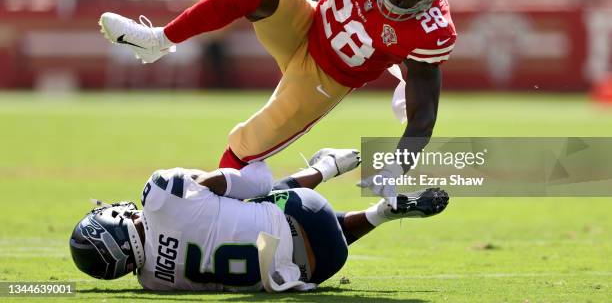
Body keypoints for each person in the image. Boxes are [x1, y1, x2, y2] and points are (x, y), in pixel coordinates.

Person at [98, 0, 459, 204]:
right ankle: (158, 39)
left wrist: (396, 167)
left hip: (325, 79)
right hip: (307, 23)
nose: (397, 1)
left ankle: (217, 218)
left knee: (244, 147)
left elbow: (423, 115)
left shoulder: (432, 30)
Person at [69, 148, 449, 292]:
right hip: (306, 209)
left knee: (277, 240)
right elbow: (257, 180)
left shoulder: (153, 283)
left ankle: (379, 214)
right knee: (258, 198)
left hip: (318, 268)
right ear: (112, 222)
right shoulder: (161, 193)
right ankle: (327, 165)